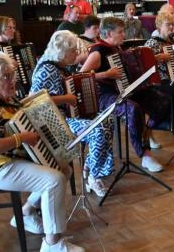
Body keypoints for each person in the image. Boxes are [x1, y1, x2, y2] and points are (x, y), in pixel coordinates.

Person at [0, 51, 85, 252]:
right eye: (6, 77)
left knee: (64, 169)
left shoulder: (3, 98)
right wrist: (22, 138)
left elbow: (23, 106)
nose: (12, 82)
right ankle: (52, 244)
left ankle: (26, 213)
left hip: (9, 160)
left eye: (12, 76)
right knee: (54, 180)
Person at [30, 31, 114, 197]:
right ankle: (93, 176)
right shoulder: (47, 68)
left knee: (107, 121)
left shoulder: (59, 67)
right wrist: (66, 99)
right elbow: (32, 101)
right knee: (99, 130)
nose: (77, 54)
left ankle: (90, 166)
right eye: (73, 51)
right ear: (63, 52)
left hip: (65, 117)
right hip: (52, 122)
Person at [80, 17, 168, 172]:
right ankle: (144, 155)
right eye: (120, 32)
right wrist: (106, 74)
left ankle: (146, 132)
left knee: (161, 100)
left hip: (125, 91)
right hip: (105, 96)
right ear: (108, 33)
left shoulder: (117, 49)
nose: (124, 35)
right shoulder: (98, 51)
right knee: (133, 110)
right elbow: (80, 76)